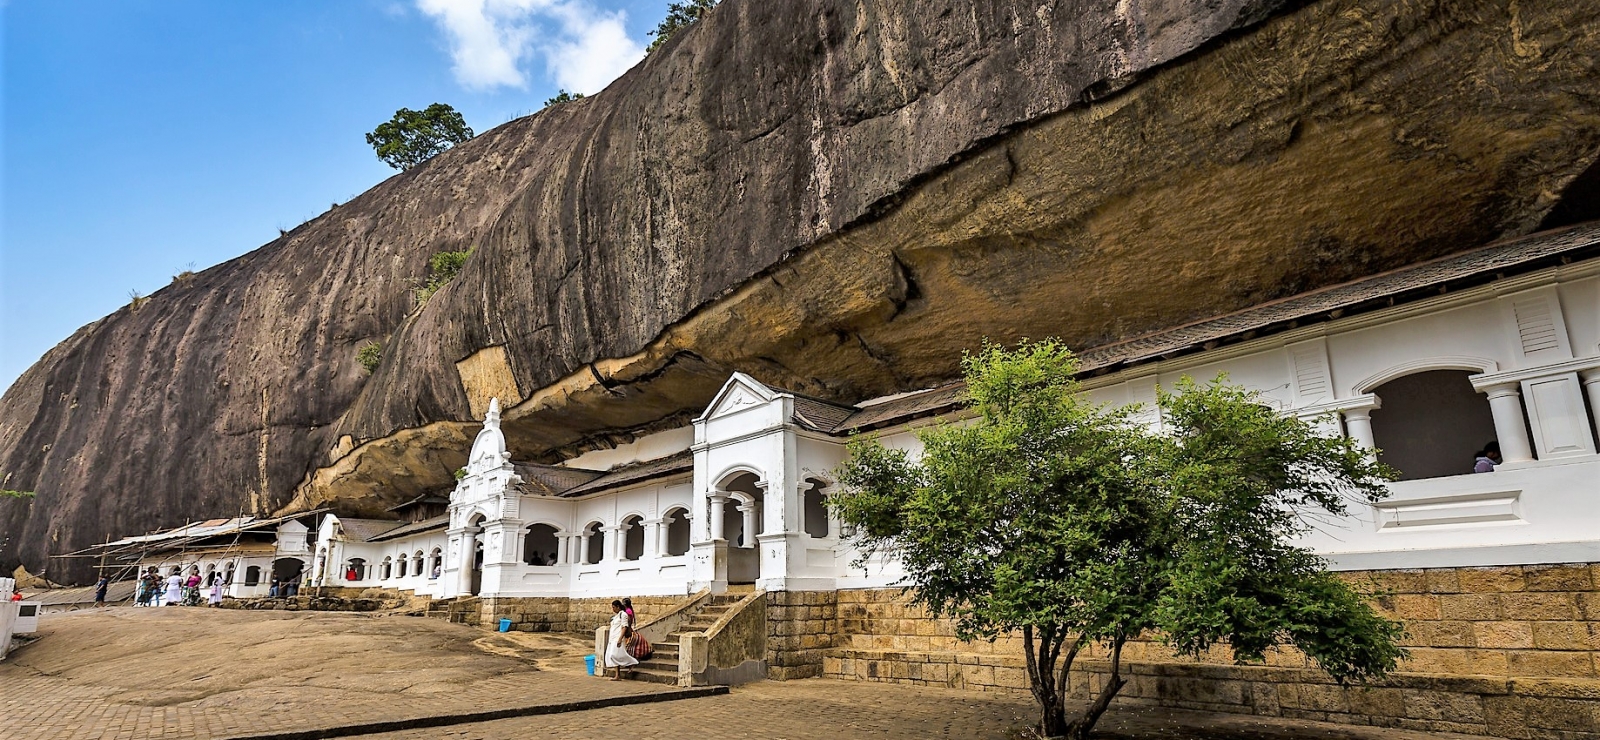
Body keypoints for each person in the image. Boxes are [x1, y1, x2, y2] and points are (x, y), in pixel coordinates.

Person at [603, 600, 638, 680]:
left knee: (614, 655)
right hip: (612, 638)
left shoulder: (623, 615)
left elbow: (624, 627)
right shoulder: (616, 616)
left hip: (618, 638)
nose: (613, 609)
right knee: (613, 655)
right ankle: (617, 675)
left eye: (614, 607)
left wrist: (620, 638)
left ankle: (631, 662)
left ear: (618, 607)